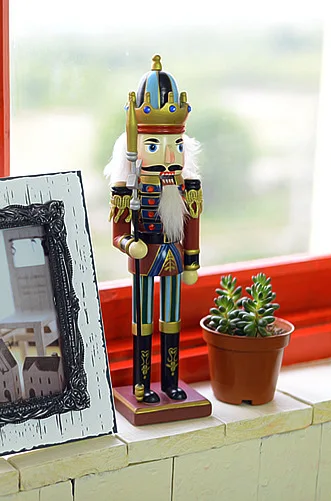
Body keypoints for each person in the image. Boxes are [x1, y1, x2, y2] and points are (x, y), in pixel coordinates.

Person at [105, 55, 203, 403]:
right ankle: (142, 384)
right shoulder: (127, 189)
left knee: (172, 321)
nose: (168, 157)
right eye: (153, 146)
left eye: (176, 146)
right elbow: (118, 233)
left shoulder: (187, 186)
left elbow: (192, 225)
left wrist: (191, 262)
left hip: (174, 254)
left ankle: (171, 382)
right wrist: (129, 244)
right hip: (145, 256)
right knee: (143, 322)